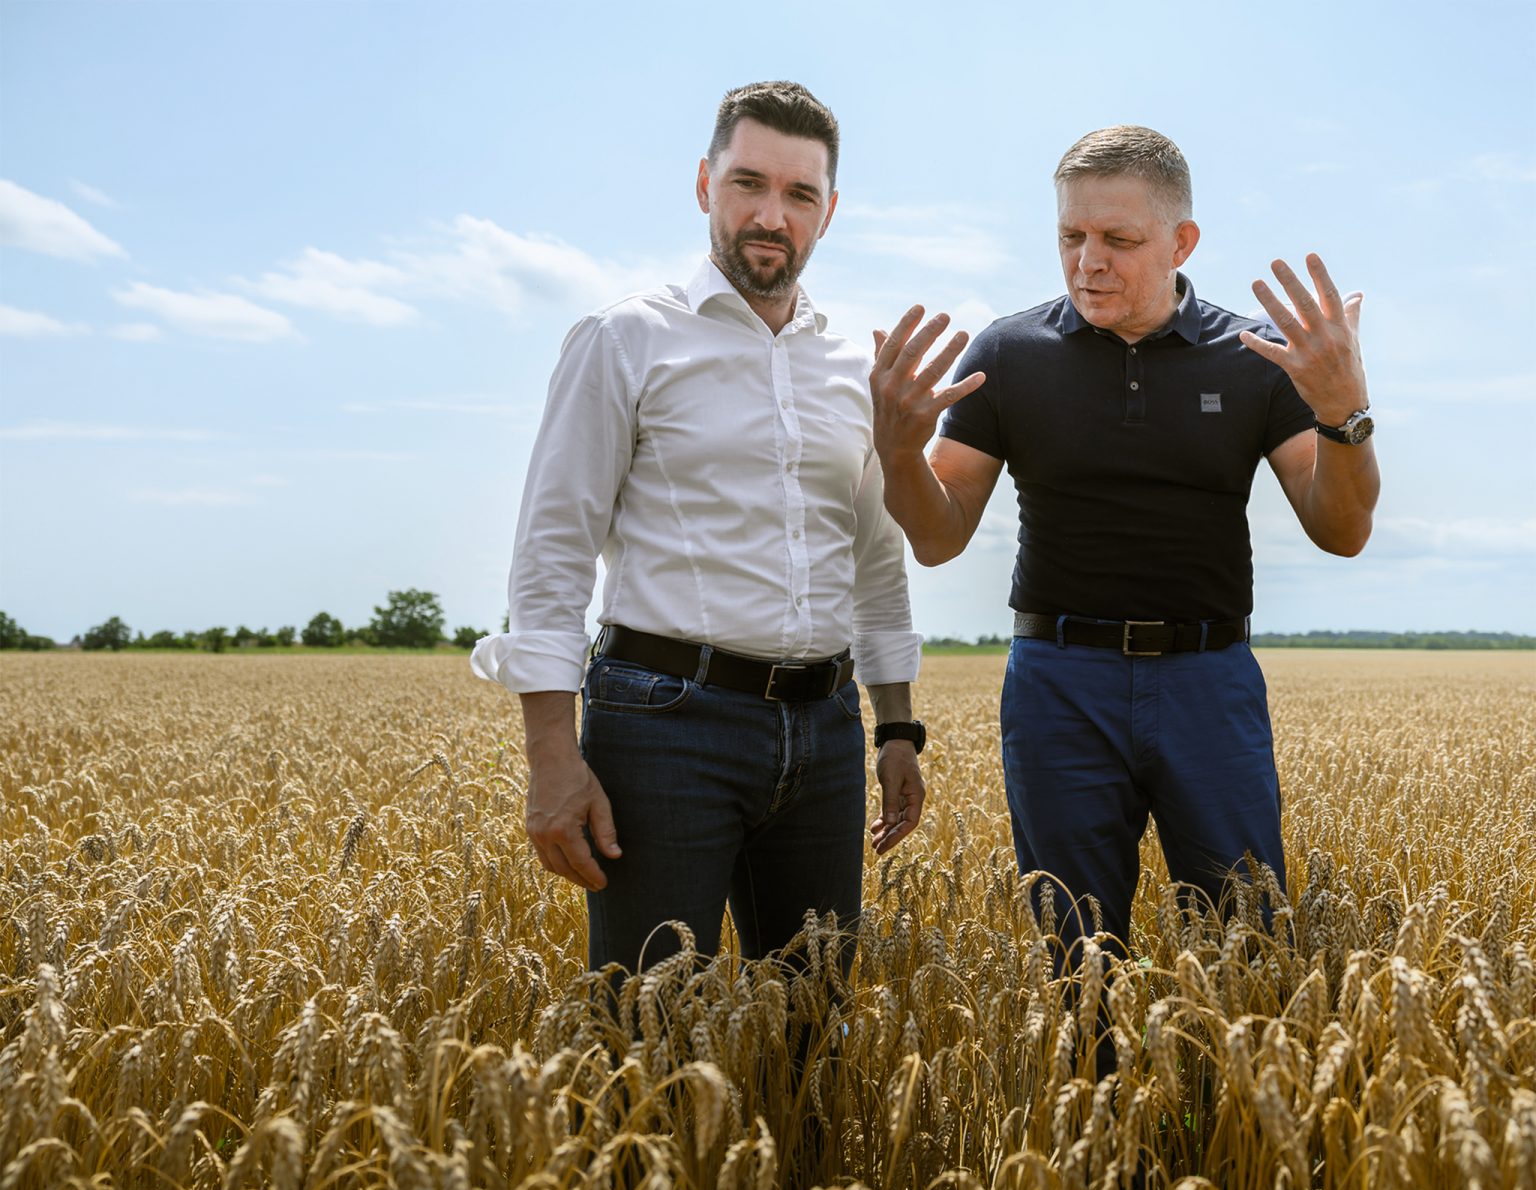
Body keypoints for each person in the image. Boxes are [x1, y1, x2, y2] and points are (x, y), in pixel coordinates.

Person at [870, 124, 1379, 962]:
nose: (1088, 262)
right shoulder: (1008, 354)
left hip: (1209, 679)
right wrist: (897, 453)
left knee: (1245, 948)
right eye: (1071, 236)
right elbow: (938, 537)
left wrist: (1342, 415)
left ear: (1182, 242)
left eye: (1119, 239)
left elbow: (1342, 530)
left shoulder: (1257, 359)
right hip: (1058, 685)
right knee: (1075, 959)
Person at [472, 81, 927, 984]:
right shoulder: (624, 339)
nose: (771, 215)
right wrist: (551, 755)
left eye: (799, 194)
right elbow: (554, 551)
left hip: (827, 730)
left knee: (813, 1024)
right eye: (748, 183)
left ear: (829, 212)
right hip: (664, 726)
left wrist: (897, 727)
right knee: (652, 1022)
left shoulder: (855, 368)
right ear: (703, 184)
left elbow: (875, 559)